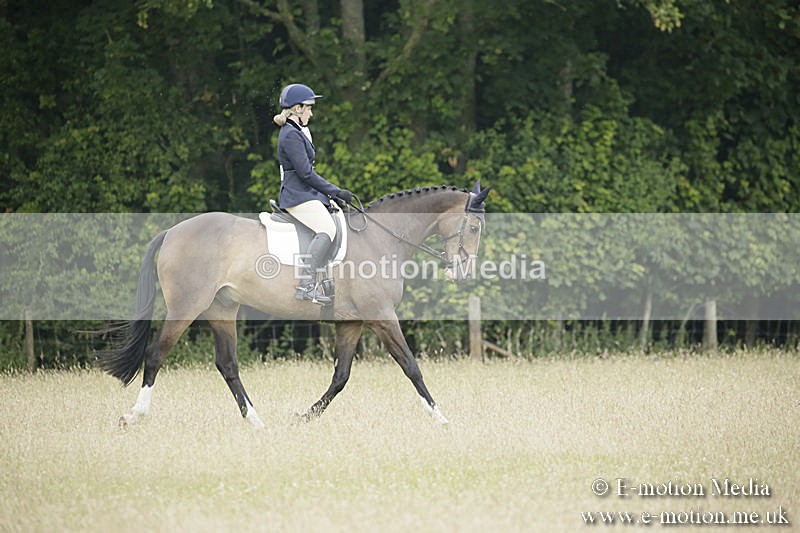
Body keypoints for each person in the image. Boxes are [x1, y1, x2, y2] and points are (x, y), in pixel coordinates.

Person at [273, 83, 353, 304]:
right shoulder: (290, 135)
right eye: (308, 107)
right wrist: (335, 191)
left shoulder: (297, 131)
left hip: (305, 192)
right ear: (297, 109)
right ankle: (306, 285)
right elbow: (306, 174)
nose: (311, 112)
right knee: (326, 228)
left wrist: (331, 195)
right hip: (297, 195)